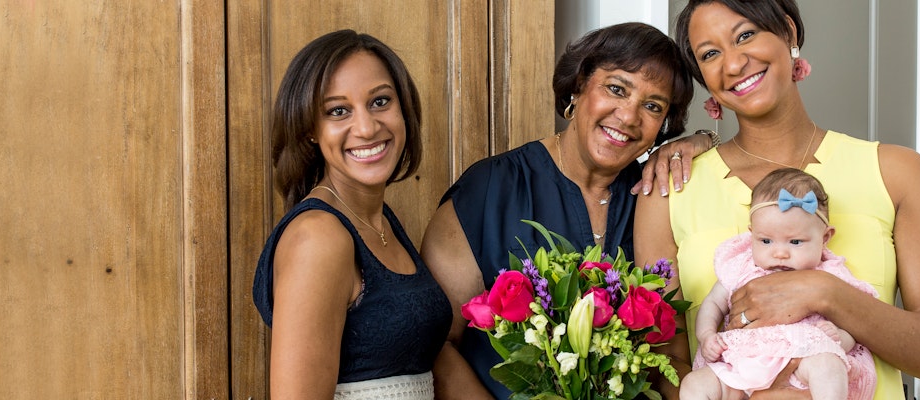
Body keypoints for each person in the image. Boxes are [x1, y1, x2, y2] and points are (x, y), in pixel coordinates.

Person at [635, 1, 920, 399]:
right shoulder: (670, 188)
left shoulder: (898, 172)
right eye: (710, 53)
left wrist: (821, 292)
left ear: (788, 33)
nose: (735, 63)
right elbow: (661, 364)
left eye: (745, 35)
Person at [420, 22, 697, 399]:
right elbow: (437, 345)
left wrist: (704, 138)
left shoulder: (656, 200)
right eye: (616, 89)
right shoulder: (489, 190)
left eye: (652, 106)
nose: (630, 117)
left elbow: (667, 355)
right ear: (578, 86)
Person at [251, 30, 456, 400]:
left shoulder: (381, 221)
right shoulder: (318, 237)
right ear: (310, 129)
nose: (366, 127)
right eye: (338, 111)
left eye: (380, 101)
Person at [681, 168, 878, 400]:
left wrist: (841, 337)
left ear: (825, 238)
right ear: (751, 234)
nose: (780, 253)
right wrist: (706, 335)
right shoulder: (741, 267)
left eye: (795, 242)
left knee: (828, 365)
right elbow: (713, 302)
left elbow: (857, 321)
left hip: (804, 362)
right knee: (694, 384)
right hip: (742, 364)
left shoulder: (831, 274)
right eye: (765, 240)